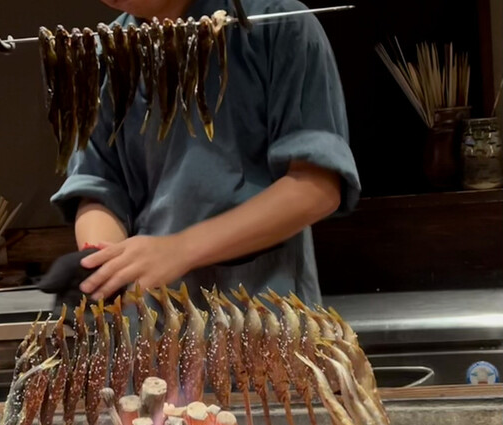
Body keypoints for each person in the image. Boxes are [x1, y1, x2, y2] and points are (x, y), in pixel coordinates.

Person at [50, 0, 360, 307]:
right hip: (149, 320)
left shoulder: (276, 22)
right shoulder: (103, 52)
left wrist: (180, 249)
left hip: (264, 312)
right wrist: (100, 265)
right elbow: (99, 188)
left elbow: (315, 188)